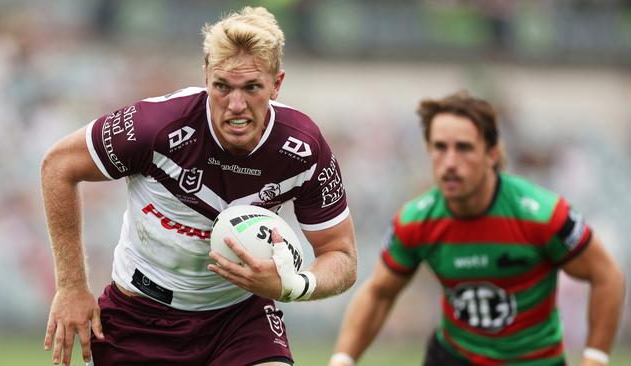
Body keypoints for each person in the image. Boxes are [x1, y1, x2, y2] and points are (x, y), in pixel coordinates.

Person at [41, 6, 357, 366]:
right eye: (222, 86)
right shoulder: (154, 126)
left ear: (276, 84)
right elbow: (58, 165)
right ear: (206, 76)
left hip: (237, 320)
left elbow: (342, 255)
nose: (236, 106)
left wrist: (294, 285)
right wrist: (70, 286)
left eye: (252, 87)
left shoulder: (303, 149)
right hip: (139, 317)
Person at [329, 91, 625, 366]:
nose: (450, 162)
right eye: (440, 148)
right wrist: (342, 360)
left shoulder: (543, 215)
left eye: (464, 148)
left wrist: (594, 358)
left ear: (492, 154)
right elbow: (379, 292)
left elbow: (606, 276)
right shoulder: (416, 221)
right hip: (456, 356)